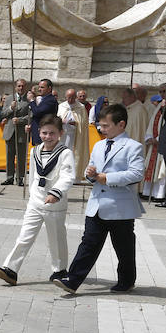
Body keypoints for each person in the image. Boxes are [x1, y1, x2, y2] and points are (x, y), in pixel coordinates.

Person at [53, 104, 144, 294]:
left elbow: (136, 173)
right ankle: (73, 280)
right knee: (89, 243)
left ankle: (127, 281)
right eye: (100, 125)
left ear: (121, 124)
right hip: (97, 204)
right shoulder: (99, 145)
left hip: (120, 207)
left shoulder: (133, 146)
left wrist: (108, 178)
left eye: (105, 126)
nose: (101, 129)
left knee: (124, 247)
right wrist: (90, 174)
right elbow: (91, 168)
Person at [0, 115, 74, 286]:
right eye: (44, 133)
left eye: (52, 133)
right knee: (24, 236)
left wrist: (56, 192)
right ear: (39, 132)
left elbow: (67, 176)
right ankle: (11, 269)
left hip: (55, 204)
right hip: (36, 202)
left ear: (60, 133)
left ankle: (59, 270)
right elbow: (34, 177)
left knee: (57, 239)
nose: (48, 137)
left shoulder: (65, 153)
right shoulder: (35, 150)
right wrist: (32, 195)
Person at [0, 79, 31, 186]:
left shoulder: (29, 99)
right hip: (10, 131)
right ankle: (9, 177)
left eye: (22, 86)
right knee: (9, 156)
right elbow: (3, 113)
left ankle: (20, 178)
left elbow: (32, 115)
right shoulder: (9, 98)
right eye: (19, 86)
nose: (21, 88)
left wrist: (20, 120)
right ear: (15, 87)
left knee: (21, 157)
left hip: (22, 132)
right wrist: (10, 108)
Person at [57, 88, 90, 181]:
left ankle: (74, 176)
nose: (70, 100)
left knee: (74, 155)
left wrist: (76, 122)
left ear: (75, 97)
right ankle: (61, 174)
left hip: (76, 135)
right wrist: (62, 121)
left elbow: (84, 122)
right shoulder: (61, 106)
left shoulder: (81, 107)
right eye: (68, 97)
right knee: (62, 154)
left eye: (72, 97)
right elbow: (57, 119)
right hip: (63, 135)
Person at [29, 79, 58, 146]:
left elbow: (37, 112)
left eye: (42, 87)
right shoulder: (42, 99)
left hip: (45, 134)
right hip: (38, 133)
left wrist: (31, 101)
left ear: (49, 88)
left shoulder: (50, 100)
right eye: (39, 87)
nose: (39, 89)